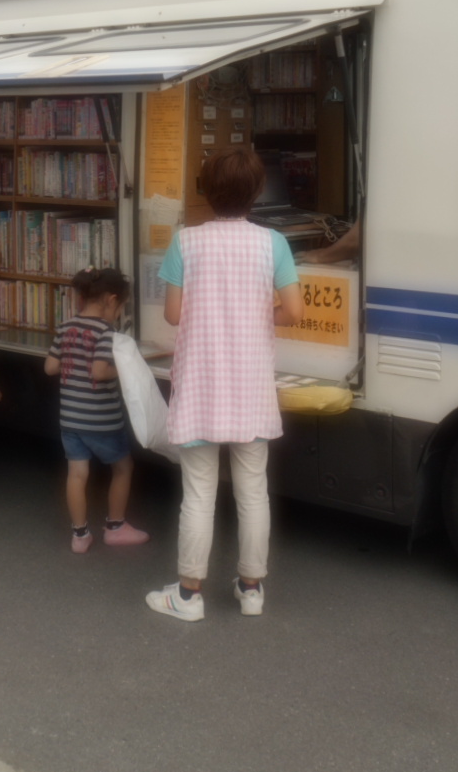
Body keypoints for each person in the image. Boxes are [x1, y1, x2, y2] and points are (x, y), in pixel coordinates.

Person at [146, 148, 304, 621]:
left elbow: (174, 315)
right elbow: (294, 311)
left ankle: (189, 596)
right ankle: (251, 589)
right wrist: (261, 313)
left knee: (198, 493)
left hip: (200, 386)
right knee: (253, 491)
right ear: (256, 193)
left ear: (205, 192)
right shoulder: (272, 243)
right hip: (251, 387)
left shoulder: (185, 242)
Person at [44, 268, 147, 553]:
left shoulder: (66, 326)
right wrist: (125, 368)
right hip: (101, 419)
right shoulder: (105, 331)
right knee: (123, 467)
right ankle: (115, 527)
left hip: (71, 418)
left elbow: (50, 367)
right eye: (121, 306)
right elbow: (100, 372)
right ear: (111, 300)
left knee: (77, 474)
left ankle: (79, 535)